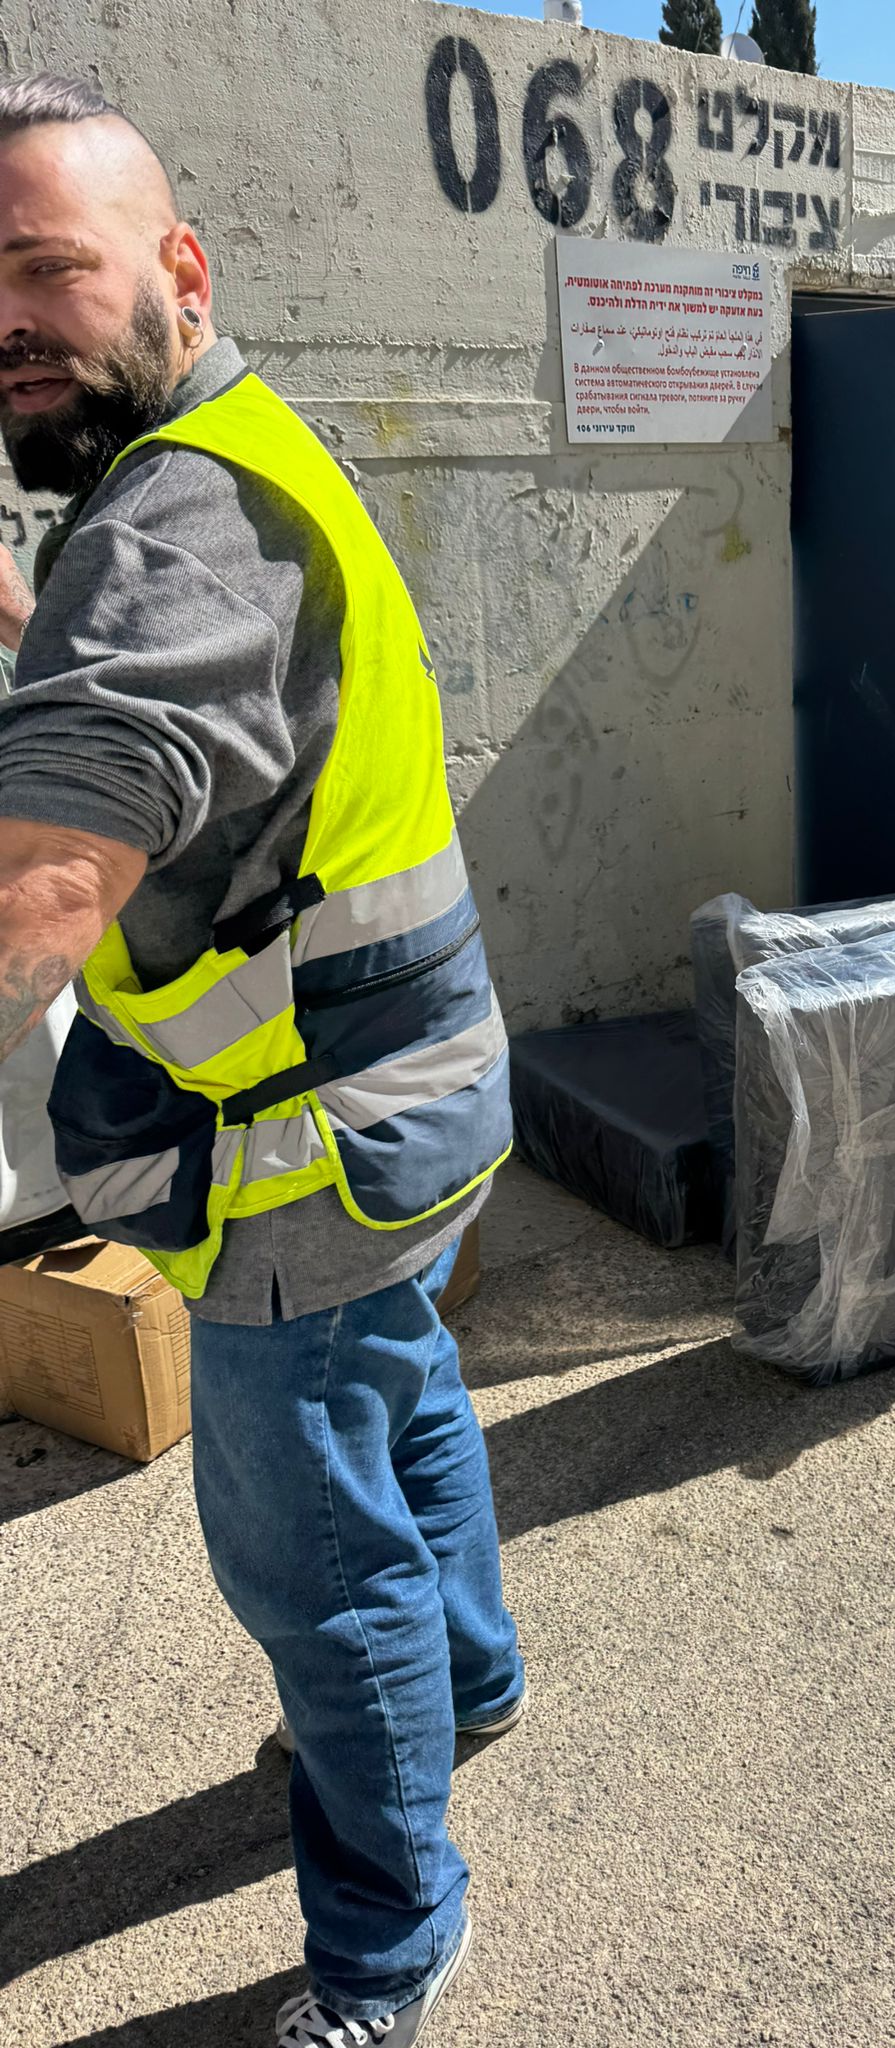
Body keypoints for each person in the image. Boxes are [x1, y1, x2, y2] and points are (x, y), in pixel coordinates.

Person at [0, 74, 524, 2046]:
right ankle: (467, 1689)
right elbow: (188, 707)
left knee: (318, 1573)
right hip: (419, 1108)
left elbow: (49, 875)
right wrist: (31, 632)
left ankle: (392, 1937)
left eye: (49, 268)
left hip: (292, 1157)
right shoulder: (246, 454)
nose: (14, 322)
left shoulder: (171, 538)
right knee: (407, 1402)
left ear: (179, 268)